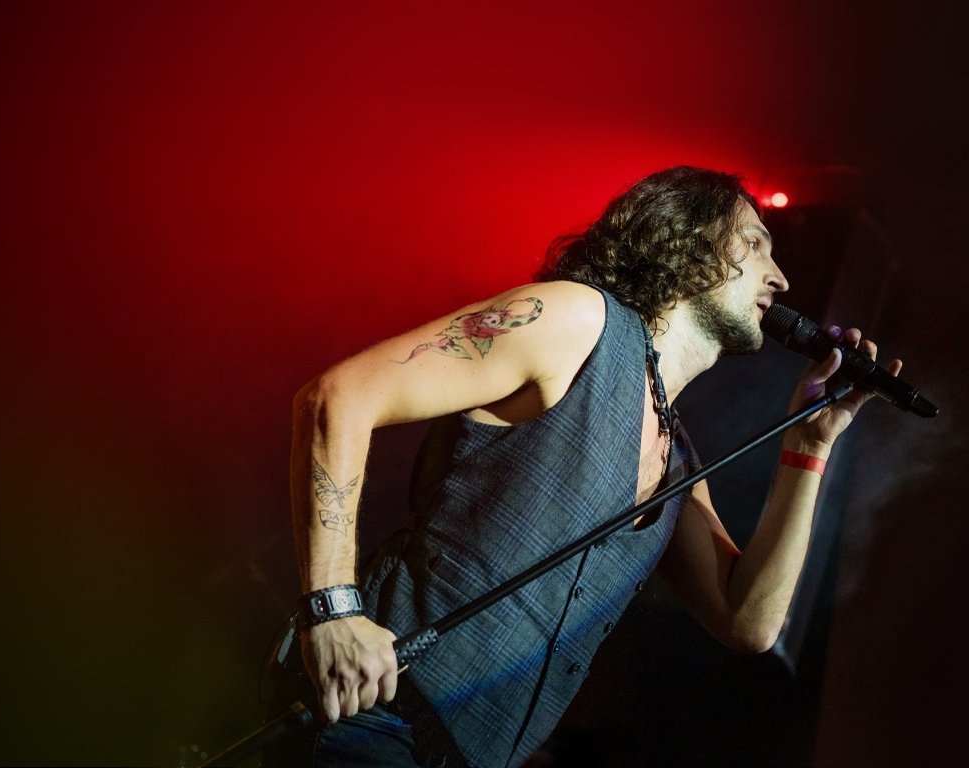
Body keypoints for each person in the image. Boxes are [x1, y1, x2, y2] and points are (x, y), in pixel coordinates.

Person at [282, 166, 903, 767]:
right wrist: (332, 610)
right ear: (687, 241)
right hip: (375, 712)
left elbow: (749, 621)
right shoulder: (577, 319)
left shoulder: (676, 458)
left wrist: (810, 443)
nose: (782, 279)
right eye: (754, 244)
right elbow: (338, 397)